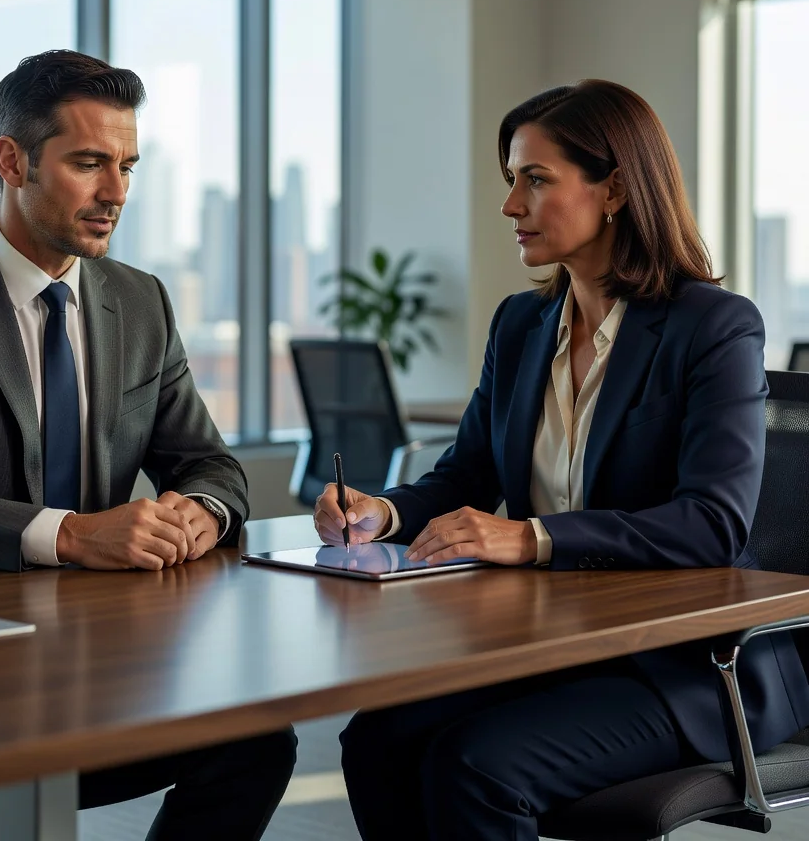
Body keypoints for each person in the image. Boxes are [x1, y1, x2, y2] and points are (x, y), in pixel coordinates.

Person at [313, 80, 809, 841]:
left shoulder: (712, 327)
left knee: (476, 766)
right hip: (555, 645)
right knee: (379, 740)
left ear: (614, 190)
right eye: (511, 179)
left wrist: (530, 537)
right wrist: (382, 511)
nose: (510, 204)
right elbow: (467, 473)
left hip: (690, 667)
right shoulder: (522, 324)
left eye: (536, 180)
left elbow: (711, 524)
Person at [0, 49, 296, 840]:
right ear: (12, 162)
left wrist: (202, 512)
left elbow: (211, 465)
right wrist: (73, 535)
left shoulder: (140, 302)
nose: (116, 192)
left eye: (127, 166)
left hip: (96, 654)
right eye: (89, 163)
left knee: (255, 742)